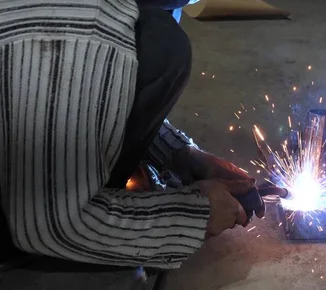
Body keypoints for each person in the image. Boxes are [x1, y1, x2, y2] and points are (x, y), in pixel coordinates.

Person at [0, 0, 264, 269]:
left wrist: (179, 153)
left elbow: (74, 98)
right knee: (160, 46)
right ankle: (26, 265)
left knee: (155, 30)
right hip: (26, 219)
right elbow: (47, 225)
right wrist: (193, 215)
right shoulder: (78, 24)